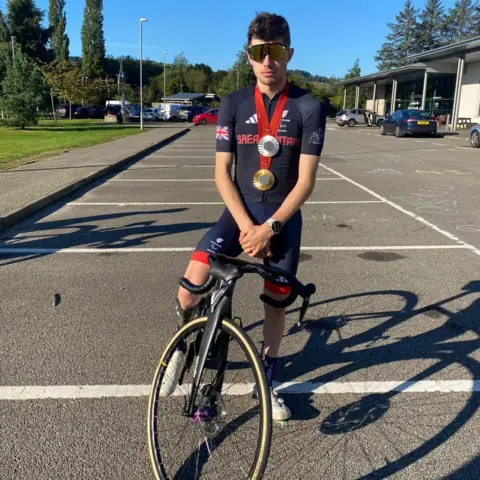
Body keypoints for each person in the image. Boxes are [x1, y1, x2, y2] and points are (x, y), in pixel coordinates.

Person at [162, 12, 326, 421]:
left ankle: (266, 383)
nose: (267, 61)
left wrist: (269, 228)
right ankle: (185, 348)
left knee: (275, 306)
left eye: (274, 52)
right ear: (249, 56)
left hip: (281, 221)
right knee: (189, 289)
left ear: (288, 53)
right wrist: (247, 227)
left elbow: (305, 182)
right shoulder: (233, 103)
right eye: (258, 52)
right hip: (238, 215)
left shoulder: (309, 106)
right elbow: (222, 173)